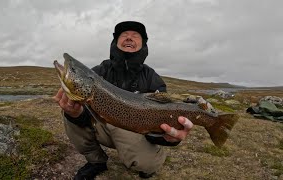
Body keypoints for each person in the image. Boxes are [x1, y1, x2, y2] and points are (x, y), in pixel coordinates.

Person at [54, 21, 193, 180]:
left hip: (136, 132)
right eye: (124, 35)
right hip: (103, 128)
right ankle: (96, 161)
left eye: (135, 36)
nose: (129, 38)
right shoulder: (99, 72)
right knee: (68, 114)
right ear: (115, 42)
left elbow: (161, 119)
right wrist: (75, 114)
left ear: (143, 45)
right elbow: (85, 115)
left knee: (148, 165)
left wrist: (168, 138)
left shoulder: (152, 78)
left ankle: (146, 162)